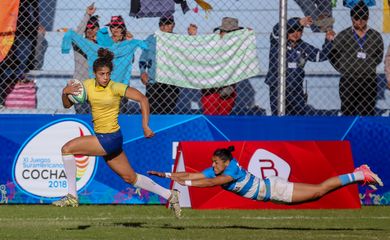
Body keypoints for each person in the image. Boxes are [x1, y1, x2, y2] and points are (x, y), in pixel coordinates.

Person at [53, 48, 182, 219]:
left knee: (67, 148)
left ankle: (72, 196)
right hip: (106, 140)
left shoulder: (116, 87)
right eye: (101, 74)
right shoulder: (86, 87)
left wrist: (145, 126)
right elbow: (67, 105)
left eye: (107, 74)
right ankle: (170, 195)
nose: (105, 78)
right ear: (95, 74)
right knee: (130, 178)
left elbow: (143, 99)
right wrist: (65, 92)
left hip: (110, 138)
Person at [149, 146, 383, 205]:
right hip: (273, 189)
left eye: (216, 162)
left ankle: (358, 174)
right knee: (318, 193)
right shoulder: (220, 167)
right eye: (213, 162)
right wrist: (167, 174)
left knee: (319, 190)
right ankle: (357, 175)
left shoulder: (229, 172)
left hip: (275, 190)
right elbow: (195, 174)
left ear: (226, 162)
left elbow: (210, 182)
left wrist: (184, 184)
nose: (213, 165)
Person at [265, 16, 335, 115]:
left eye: (299, 30)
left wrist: (328, 41)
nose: (296, 34)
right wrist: (298, 22)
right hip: (277, 86)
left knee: (298, 115)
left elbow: (320, 56)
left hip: (296, 88)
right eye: (292, 30)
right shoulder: (278, 42)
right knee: (278, 114)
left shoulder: (303, 46)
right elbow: (277, 30)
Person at [329, 1, 383, 116]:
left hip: (368, 79)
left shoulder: (375, 36)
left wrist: (368, 66)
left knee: (367, 113)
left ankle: (366, 133)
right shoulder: (343, 35)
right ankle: (348, 133)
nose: (360, 20)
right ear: (351, 18)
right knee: (348, 112)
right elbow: (333, 55)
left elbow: (379, 56)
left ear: (368, 18)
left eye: (364, 17)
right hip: (348, 79)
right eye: (357, 17)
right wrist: (343, 68)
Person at [200, 17, 243, 115]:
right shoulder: (210, 44)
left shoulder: (237, 46)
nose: (230, 36)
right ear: (221, 32)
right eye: (228, 32)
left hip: (228, 86)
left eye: (234, 33)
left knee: (224, 115)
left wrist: (248, 37)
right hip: (211, 86)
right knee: (211, 114)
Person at [139, 15, 180, 114]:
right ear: (160, 26)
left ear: (173, 25)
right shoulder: (151, 39)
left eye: (169, 23)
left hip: (171, 82)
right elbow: (143, 58)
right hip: (154, 82)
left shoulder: (178, 39)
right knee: (151, 112)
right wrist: (142, 72)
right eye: (163, 24)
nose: (166, 26)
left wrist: (192, 37)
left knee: (168, 113)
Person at [72, 3, 98, 114]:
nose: (90, 29)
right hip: (80, 87)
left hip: (97, 89)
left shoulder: (101, 47)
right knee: (82, 117)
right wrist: (87, 15)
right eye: (87, 27)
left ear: (98, 29)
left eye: (93, 27)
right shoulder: (79, 44)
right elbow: (76, 35)